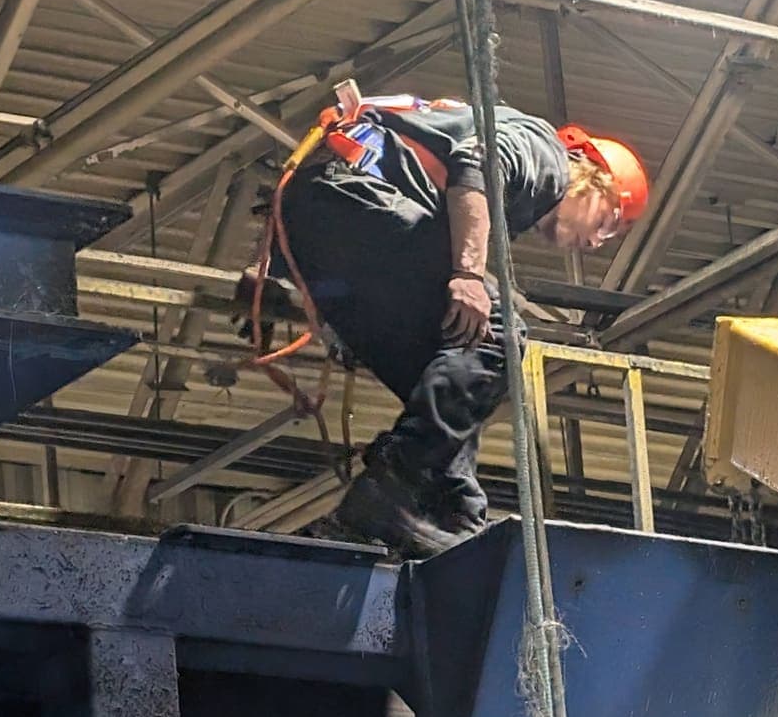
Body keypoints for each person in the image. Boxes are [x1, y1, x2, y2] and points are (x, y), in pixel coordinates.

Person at [241, 95, 648, 558]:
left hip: (327, 223)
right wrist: (468, 275)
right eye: (608, 223)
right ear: (590, 176)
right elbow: (476, 162)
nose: (596, 243)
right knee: (498, 335)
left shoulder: (516, 190)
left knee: (452, 368)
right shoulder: (546, 155)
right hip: (357, 202)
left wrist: (267, 270)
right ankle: (391, 489)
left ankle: (451, 510)